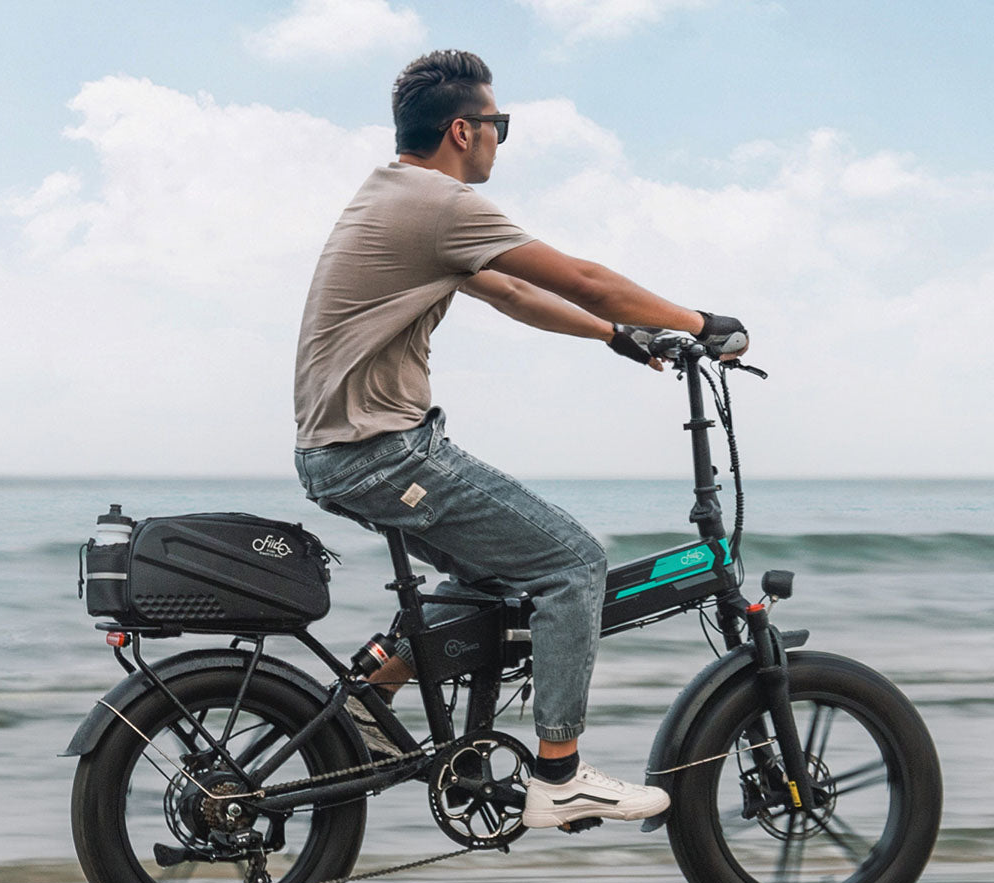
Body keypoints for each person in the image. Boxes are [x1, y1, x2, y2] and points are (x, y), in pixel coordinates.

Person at [293, 50, 747, 830]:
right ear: (464, 129)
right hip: (382, 451)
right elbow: (580, 276)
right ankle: (560, 774)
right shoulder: (438, 204)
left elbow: (510, 291)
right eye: (500, 126)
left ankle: (377, 688)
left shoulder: (397, 198)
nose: (501, 139)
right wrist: (702, 323)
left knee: (503, 578)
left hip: (350, 452)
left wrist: (619, 338)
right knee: (571, 565)